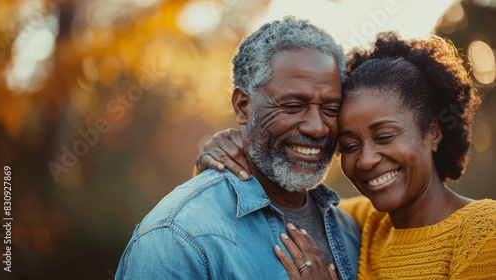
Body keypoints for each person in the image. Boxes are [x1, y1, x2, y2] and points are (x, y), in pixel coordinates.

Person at [195, 31, 496, 279]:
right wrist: (227, 152)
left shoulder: (482, 232)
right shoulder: (363, 223)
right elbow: (272, 204)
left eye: (384, 137)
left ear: (433, 132)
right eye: (350, 145)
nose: (366, 160)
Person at [115, 16, 361, 280]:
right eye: (292, 106)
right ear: (243, 106)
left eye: (331, 109)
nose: (317, 128)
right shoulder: (179, 236)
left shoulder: (352, 230)